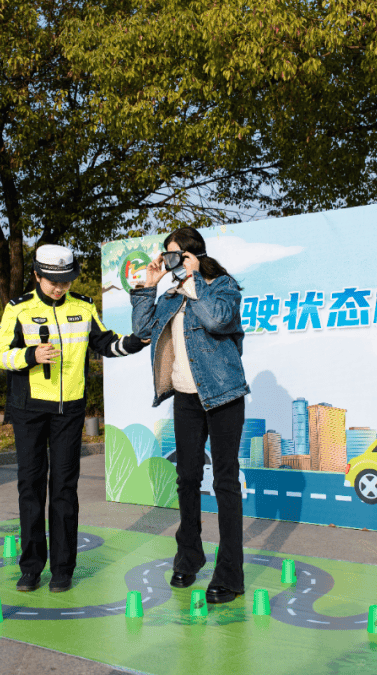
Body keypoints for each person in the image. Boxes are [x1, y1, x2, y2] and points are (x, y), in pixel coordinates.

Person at [0, 244, 147, 593]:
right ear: (37, 276)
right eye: (53, 281)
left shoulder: (83, 306)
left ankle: (63, 568)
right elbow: (0, 355)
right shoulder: (18, 308)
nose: (59, 288)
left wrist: (135, 342)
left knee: (64, 489)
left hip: (70, 410)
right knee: (31, 487)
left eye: (65, 281)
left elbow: (105, 343)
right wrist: (30, 355)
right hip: (29, 410)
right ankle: (31, 568)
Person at [130, 227, 249, 604]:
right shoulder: (169, 297)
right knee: (187, 479)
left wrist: (193, 280)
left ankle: (229, 575)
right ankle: (189, 556)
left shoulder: (221, 287)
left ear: (194, 255)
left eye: (177, 255)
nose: (171, 262)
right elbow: (142, 330)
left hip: (224, 395)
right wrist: (148, 287)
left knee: (225, 482)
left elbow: (218, 321)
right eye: (167, 256)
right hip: (185, 398)